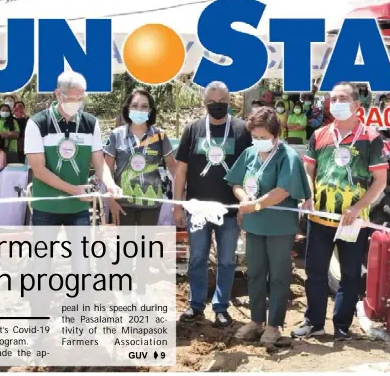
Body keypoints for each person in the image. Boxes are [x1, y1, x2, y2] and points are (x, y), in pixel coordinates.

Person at [292, 82, 388, 341]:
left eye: (342, 98)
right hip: (320, 216)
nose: (336, 103)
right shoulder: (320, 135)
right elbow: (308, 170)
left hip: (352, 220)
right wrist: (308, 196)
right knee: (315, 270)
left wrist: (357, 208)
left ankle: (342, 326)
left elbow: (380, 181)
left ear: (357, 105)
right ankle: (314, 322)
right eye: (332, 98)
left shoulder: (371, 137)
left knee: (349, 273)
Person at [225, 107, 310, 344]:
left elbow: (282, 192)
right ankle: (256, 321)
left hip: (280, 228)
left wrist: (256, 206)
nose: (259, 141)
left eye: (264, 137)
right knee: (255, 274)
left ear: (275, 135)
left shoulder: (288, 156)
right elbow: (236, 183)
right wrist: (244, 198)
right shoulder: (250, 153)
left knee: (279, 276)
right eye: (255, 137)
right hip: (254, 226)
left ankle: (274, 325)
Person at [173, 81, 252, 328]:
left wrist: (245, 205)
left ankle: (221, 307)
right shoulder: (192, 130)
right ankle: (196, 305)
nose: (217, 107)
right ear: (204, 103)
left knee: (227, 260)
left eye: (222, 103)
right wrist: (177, 205)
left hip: (229, 209)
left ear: (230, 102)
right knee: (197, 258)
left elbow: (251, 170)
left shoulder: (242, 130)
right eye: (212, 103)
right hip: (197, 210)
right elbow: (181, 171)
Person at [24, 70, 122, 226]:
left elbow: (99, 164)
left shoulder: (90, 123)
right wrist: (74, 190)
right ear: (58, 94)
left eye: (80, 98)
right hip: (46, 207)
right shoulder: (37, 123)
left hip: (78, 208)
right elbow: (39, 170)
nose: (76, 102)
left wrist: (110, 184)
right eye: (71, 98)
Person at [104, 89, 177, 226]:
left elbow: (173, 166)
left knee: (147, 245)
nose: (139, 109)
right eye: (135, 105)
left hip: (151, 203)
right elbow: (107, 169)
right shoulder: (116, 135)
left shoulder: (160, 136)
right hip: (123, 202)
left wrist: (180, 197)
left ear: (150, 110)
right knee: (127, 246)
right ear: (128, 108)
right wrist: (111, 201)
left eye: (144, 106)